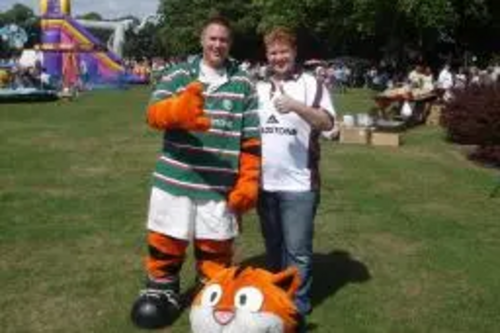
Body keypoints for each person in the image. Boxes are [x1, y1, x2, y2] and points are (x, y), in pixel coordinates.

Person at [130, 16, 261, 329]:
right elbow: (153, 113)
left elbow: (252, 139)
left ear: (230, 44)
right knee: (166, 241)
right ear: (202, 40)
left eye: (223, 40)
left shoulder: (243, 83)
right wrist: (178, 111)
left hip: (219, 186)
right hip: (175, 180)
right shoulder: (178, 74)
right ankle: (162, 290)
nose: (217, 45)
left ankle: (211, 293)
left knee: (215, 247)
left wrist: (248, 181)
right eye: (212, 38)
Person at [256, 27, 336, 330]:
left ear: (294, 52)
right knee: (273, 246)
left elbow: (328, 124)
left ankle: (296, 306)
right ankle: (276, 296)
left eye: (283, 51)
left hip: (300, 184)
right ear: (267, 56)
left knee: (298, 251)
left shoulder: (311, 84)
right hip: (264, 183)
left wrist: (296, 106)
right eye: (273, 52)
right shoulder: (258, 87)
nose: (279, 57)